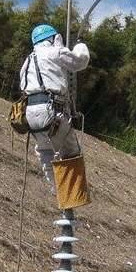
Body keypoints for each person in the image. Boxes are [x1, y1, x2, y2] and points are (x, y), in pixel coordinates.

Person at [19, 24, 90, 189]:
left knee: (45, 152)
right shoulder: (54, 51)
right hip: (52, 110)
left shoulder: (27, 61)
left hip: (30, 114)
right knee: (71, 153)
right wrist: (79, 45)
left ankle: (58, 192)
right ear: (53, 38)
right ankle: (73, 195)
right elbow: (79, 62)